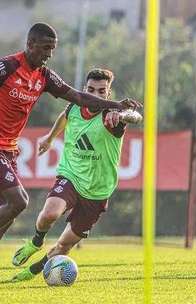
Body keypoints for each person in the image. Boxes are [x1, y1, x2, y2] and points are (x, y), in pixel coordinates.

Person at [0, 22, 140, 240]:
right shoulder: (7, 67)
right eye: (46, 48)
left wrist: (116, 105)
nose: (49, 54)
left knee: (8, 211)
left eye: (52, 49)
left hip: (10, 151)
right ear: (30, 44)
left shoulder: (44, 76)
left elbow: (78, 97)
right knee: (19, 202)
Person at [11, 67, 142, 282]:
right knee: (49, 214)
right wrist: (50, 138)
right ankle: (35, 241)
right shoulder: (74, 107)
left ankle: (32, 272)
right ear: (84, 89)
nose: (95, 95)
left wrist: (122, 114)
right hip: (70, 175)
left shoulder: (111, 117)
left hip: (98, 191)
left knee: (64, 245)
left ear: (108, 94)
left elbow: (135, 116)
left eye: (102, 91)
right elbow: (64, 116)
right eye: (91, 89)